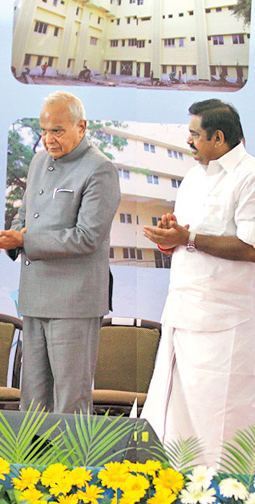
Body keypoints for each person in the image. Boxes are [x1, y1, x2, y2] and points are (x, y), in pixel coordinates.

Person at [0, 91, 120, 414]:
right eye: (44, 130)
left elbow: (87, 237)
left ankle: (71, 465)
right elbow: (25, 214)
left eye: (57, 130)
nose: (48, 139)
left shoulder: (100, 169)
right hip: (34, 296)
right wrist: (11, 236)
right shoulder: (39, 160)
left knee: (70, 397)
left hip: (74, 301)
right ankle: (30, 464)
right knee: (33, 396)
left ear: (81, 127)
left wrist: (25, 241)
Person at [142, 99, 255, 466]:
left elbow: (251, 247)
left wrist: (187, 239)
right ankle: (172, 483)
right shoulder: (193, 177)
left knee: (220, 413)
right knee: (173, 410)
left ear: (218, 137)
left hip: (227, 319)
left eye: (194, 134)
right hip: (184, 309)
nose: (188, 141)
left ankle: (223, 490)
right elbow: (188, 238)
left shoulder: (249, 177)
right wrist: (170, 236)